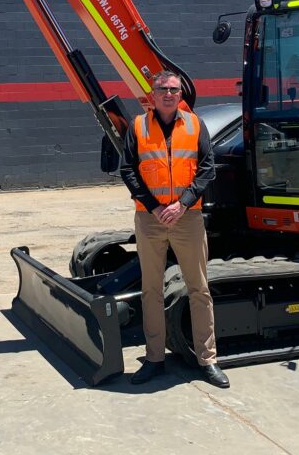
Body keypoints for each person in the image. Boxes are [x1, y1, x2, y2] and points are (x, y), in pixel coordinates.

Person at [119, 71, 228, 388]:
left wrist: (182, 204)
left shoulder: (195, 125)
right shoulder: (138, 127)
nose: (168, 93)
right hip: (150, 218)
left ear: (181, 95)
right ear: (152, 95)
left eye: (173, 89)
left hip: (187, 217)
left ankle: (207, 360)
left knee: (199, 289)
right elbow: (128, 169)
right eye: (162, 89)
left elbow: (207, 168)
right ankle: (154, 358)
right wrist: (154, 207)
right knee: (151, 290)